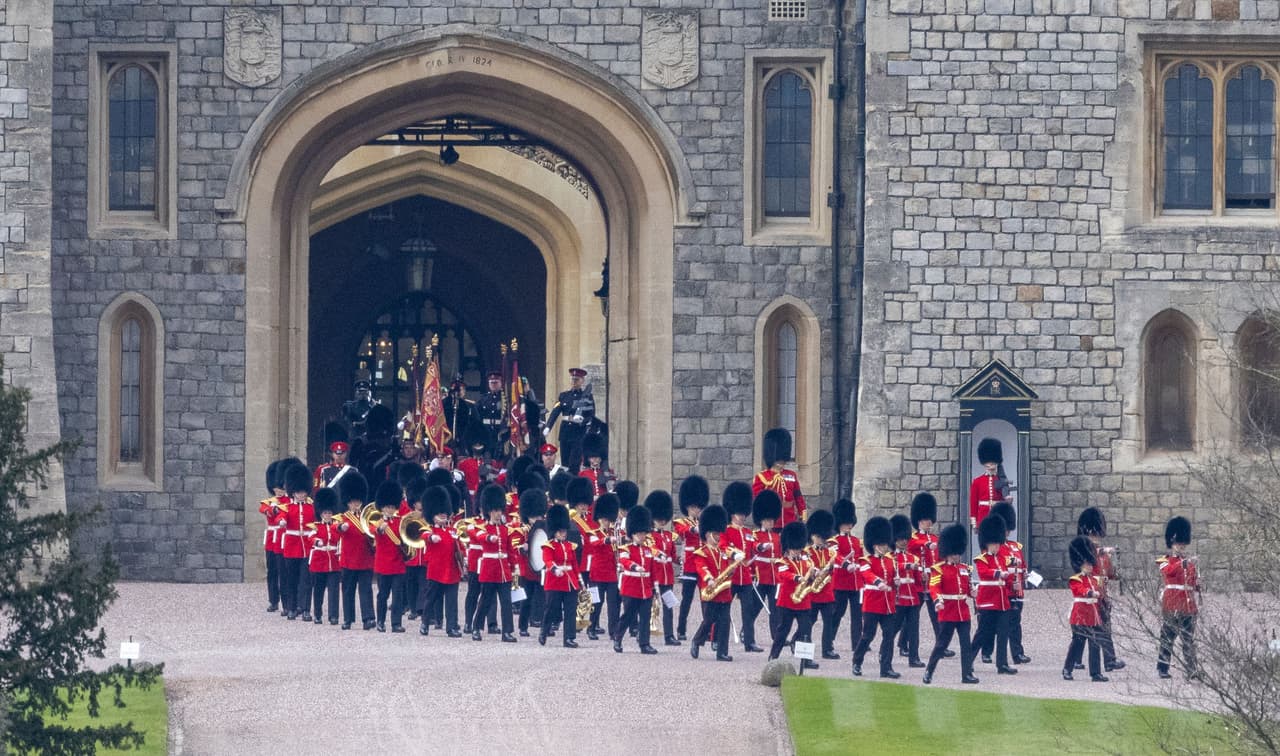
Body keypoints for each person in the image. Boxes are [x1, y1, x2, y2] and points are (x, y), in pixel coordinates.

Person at [923, 524, 979, 685]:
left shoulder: (964, 569)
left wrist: (972, 592)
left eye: (957, 553)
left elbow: (966, 588)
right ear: (947, 553)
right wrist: (938, 600)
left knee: (965, 645)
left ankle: (967, 674)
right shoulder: (938, 569)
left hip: (963, 611)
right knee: (941, 645)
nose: (956, 556)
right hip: (947, 611)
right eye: (954, 554)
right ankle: (929, 671)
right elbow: (934, 587)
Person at [689, 504, 739, 662]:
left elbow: (726, 568)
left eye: (719, 534)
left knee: (724, 623)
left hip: (724, 592)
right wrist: (709, 579)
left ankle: (722, 652)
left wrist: (732, 569)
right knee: (708, 620)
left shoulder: (723, 552)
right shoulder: (701, 552)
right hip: (709, 591)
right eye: (716, 534)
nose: (718, 537)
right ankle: (697, 641)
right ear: (708, 534)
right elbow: (701, 567)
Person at [851, 516, 899, 678]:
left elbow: (892, 579)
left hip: (888, 604)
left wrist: (896, 581)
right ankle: (857, 661)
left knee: (889, 635)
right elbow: (867, 574)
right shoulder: (866, 560)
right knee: (868, 635)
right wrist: (878, 582)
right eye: (882, 545)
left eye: (886, 544)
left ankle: (886, 667)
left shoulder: (890, 560)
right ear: (875, 545)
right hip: (872, 603)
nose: (885, 547)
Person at [1078, 506, 1124, 671]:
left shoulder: (1102, 553)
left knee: (1105, 627)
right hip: (1089, 595)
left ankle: (1110, 660)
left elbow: (1110, 574)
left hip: (1102, 595)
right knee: (1083, 631)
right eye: (1094, 534)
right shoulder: (1084, 550)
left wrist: (1115, 568)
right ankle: (1076, 660)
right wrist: (1103, 551)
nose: (1096, 538)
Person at [470, 484, 518, 642]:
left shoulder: (505, 530)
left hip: (504, 570)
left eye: (499, 510)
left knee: (506, 602)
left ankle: (507, 632)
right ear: (489, 511)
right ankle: (476, 628)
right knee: (485, 601)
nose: (498, 514)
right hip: (489, 570)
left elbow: (510, 550)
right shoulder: (483, 528)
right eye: (495, 511)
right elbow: (479, 536)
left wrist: (514, 566)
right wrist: (489, 538)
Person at [971, 513, 1016, 674]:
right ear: (987, 543)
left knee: (1003, 633)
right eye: (994, 544)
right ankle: (968, 660)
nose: (997, 546)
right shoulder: (981, 559)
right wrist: (999, 574)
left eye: (998, 543)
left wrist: (1013, 579)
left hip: (1002, 601)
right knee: (983, 632)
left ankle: (1002, 664)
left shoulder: (1002, 558)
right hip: (988, 601)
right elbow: (985, 573)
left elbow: (1006, 575)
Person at [768, 521, 818, 668]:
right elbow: (784, 574)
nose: (796, 551)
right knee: (783, 631)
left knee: (806, 631)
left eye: (798, 548)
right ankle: (774, 655)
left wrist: (814, 575)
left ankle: (806, 660)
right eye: (794, 549)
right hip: (787, 602)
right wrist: (798, 578)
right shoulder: (782, 561)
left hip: (803, 602)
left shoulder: (807, 560)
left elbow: (810, 573)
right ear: (788, 547)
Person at [721, 481, 763, 653]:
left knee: (748, 610)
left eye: (744, 513)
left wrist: (760, 548)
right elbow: (723, 546)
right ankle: (717, 640)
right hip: (731, 576)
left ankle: (750, 642)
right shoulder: (726, 530)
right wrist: (733, 553)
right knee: (722, 609)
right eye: (740, 513)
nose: (743, 516)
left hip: (745, 576)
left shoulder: (748, 532)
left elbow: (753, 548)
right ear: (732, 513)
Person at [1157, 515, 1200, 680]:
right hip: (1172, 603)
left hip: (1188, 606)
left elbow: (1190, 583)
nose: (1181, 546)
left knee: (1188, 639)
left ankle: (1192, 669)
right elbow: (1168, 572)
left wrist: (1197, 584)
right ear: (1172, 543)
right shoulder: (1163, 560)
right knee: (1167, 637)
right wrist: (1181, 564)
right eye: (1178, 543)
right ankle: (1162, 667)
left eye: (1183, 543)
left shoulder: (1189, 563)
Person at [988, 501, 1030, 665]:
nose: (1005, 532)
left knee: (1015, 623)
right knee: (998, 625)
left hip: (1018, 591)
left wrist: (1025, 576)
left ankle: (1017, 653)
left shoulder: (1015, 546)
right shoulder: (996, 549)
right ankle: (991, 652)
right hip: (1005, 591)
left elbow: (1022, 565)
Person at [418, 485, 464, 637]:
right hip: (436, 571)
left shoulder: (453, 531)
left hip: (452, 571)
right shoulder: (430, 530)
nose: (443, 515)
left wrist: (464, 557)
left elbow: (460, 548)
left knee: (452, 601)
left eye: (444, 513)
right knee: (431, 599)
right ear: (432, 514)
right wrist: (432, 538)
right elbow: (424, 536)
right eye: (439, 513)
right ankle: (425, 623)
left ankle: (451, 627)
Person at [614, 504, 659, 654]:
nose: (641, 536)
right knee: (628, 616)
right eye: (638, 534)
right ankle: (618, 637)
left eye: (643, 533)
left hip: (645, 589)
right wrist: (635, 567)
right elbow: (624, 561)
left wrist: (655, 588)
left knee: (645, 617)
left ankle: (644, 644)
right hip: (630, 588)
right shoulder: (625, 549)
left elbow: (652, 571)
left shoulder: (648, 550)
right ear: (632, 534)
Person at [1063, 536, 1108, 682]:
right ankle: (1067, 669)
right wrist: (1090, 593)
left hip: (1093, 616)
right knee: (1077, 643)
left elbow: (1100, 593)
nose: (1089, 567)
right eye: (1086, 564)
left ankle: (1095, 673)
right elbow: (1080, 590)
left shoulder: (1095, 579)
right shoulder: (1075, 579)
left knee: (1095, 644)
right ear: (1080, 564)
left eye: (1090, 564)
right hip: (1080, 615)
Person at [907, 493, 945, 658]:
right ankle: (903, 643)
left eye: (929, 519)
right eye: (924, 519)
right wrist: (926, 544)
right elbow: (913, 545)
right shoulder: (913, 538)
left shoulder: (935, 538)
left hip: (932, 580)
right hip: (918, 580)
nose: (928, 522)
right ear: (918, 521)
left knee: (936, 614)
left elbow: (939, 557)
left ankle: (941, 644)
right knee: (912, 615)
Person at [539, 504, 582, 648]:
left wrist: (579, 580)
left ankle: (569, 638)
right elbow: (547, 560)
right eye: (561, 531)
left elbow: (574, 564)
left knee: (570, 611)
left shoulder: (570, 545)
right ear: (554, 531)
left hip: (570, 582)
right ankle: (544, 632)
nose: (563, 533)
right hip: (554, 582)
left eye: (564, 531)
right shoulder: (548, 546)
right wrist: (554, 569)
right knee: (551, 609)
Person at [336, 471, 375, 630]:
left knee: (366, 590)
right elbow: (335, 529)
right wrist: (341, 527)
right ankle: (348, 619)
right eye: (352, 502)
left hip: (365, 559)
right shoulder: (342, 518)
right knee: (348, 591)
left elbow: (372, 529)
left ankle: (368, 618)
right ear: (347, 502)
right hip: (349, 559)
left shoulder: (367, 517)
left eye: (358, 501)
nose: (356, 504)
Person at [280, 461, 315, 621]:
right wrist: (282, 522)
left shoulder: (311, 507)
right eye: (298, 492)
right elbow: (282, 516)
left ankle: (306, 608)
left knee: (306, 581)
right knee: (291, 579)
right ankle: (292, 608)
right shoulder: (288, 507)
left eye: (303, 492)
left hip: (307, 547)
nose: (301, 495)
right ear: (293, 492)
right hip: (292, 546)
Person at [674, 475, 709, 640]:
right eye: (695, 507)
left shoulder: (704, 521)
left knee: (706, 598)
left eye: (699, 507)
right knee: (686, 600)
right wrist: (697, 529)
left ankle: (707, 629)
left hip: (702, 565)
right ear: (688, 507)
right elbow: (684, 532)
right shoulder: (681, 522)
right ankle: (681, 629)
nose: (697, 510)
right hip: (689, 564)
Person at [584, 492, 622, 641]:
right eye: (604, 519)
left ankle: (614, 631)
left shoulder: (615, 532)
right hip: (597, 574)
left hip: (611, 574)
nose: (606, 522)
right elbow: (595, 543)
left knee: (614, 605)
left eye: (608, 520)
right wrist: (608, 540)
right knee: (596, 603)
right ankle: (591, 628)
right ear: (599, 519)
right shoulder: (593, 533)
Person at [646, 490, 681, 646]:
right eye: (658, 519)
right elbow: (651, 550)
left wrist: (680, 560)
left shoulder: (668, 535)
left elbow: (673, 555)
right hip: (654, 575)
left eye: (663, 519)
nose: (661, 521)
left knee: (669, 605)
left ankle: (669, 635)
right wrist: (659, 555)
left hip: (667, 576)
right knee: (650, 605)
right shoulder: (649, 536)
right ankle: (645, 632)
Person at [371, 480, 408, 633]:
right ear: (382, 507)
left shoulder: (400, 522)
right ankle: (380, 621)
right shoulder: (377, 522)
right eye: (387, 507)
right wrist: (381, 528)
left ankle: (396, 623)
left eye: (392, 507)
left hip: (398, 564)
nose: (390, 510)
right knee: (383, 595)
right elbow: (374, 531)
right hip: (383, 565)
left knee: (398, 596)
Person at [752, 428, 807, 528]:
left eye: (783, 461)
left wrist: (802, 516)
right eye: (779, 461)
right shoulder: (762, 477)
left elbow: (798, 497)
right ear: (773, 459)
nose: (782, 464)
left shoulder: (791, 475)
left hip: (790, 520)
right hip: (772, 522)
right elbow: (757, 501)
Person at [543, 367, 595, 473]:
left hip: (578, 433)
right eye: (572, 379)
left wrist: (583, 421)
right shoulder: (564, 396)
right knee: (565, 462)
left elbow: (591, 416)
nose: (574, 382)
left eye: (577, 380)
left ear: (582, 381)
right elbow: (555, 412)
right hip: (565, 432)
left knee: (574, 463)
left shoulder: (587, 397)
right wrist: (548, 426)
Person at [890, 513, 925, 669]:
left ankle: (914, 657)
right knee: (893, 629)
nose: (904, 541)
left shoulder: (913, 557)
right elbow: (892, 570)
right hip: (898, 599)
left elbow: (917, 579)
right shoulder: (890, 557)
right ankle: (885, 653)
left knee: (913, 630)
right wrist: (907, 567)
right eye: (900, 539)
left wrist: (923, 577)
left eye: (905, 539)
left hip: (912, 598)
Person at [829, 499, 863, 657]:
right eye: (846, 523)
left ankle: (857, 643)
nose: (849, 525)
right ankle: (828, 640)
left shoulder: (856, 541)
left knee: (857, 615)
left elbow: (862, 559)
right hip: (841, 582)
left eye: (851, 522)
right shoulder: (834, 541)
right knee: (837, 613)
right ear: (840, 523)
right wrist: (846, 564)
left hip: (856, 583)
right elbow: (835, 556)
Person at [806, 509, 839, 660]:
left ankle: (827, 649)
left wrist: (829, 568)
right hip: (813, 592)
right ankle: (799, 642)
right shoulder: (807, 552)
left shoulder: (829, 553)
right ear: (812, 536)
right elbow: (805, 568)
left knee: (829, 622)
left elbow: (832, 569)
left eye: (822, 537)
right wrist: (813, 572)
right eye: (817, 536)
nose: (820, 539)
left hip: (826, 592)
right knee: (809, 621)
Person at [306, 487, 342, 626]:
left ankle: (334, 616)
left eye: (329, 512)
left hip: (333, 560)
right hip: (319, 561)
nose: (327, 515)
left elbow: (340, 538)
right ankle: (318, 614)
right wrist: (317, 541)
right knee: (319, 589)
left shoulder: (336, 526)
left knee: (334, 590)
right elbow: (310, 537)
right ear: (321, 513)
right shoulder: (315, 526)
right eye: (325, 512)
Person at [515, 487, 549, 637]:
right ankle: (523, 626)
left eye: (538, 516)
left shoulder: (544, 527)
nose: (536, 519)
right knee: (526, 599)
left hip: (541, 568)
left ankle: (542, 624)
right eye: (533, 517)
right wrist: (523, 547)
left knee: (542, 598)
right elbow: (515, 544)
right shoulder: (522, 529)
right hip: (527, 568)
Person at [751, 490, 783, 644]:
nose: (770, 523)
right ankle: (746, 631)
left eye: (772, 520)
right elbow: (754, 547)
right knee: (756, 606)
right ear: (761, 520)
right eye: (767, 520)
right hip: (761, 574)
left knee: (775, 608)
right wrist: (762, 546)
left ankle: (775, 636)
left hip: (774, 576)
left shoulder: (777, 536)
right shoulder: (756, 534)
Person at [258, 460, 286, 613]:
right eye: (277, 487)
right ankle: (274, 600)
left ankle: (288, 601)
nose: (279, 490)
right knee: (272, 570)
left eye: (282, 487)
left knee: (285, 571)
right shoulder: (269, 502)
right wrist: (273, 511)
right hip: (272, 539)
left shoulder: (289, 502)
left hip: (285, 539)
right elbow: (264, 509)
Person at [969, 437, 1010, 529]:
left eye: (992, 461)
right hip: (983, 517)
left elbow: (1005, 497)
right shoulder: (977, 481)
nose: (990, 463)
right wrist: (974, 523)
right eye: (988, 461)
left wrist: (1008, 501)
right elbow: (973, 503)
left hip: (999, 516)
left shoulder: (1002, 479)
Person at [476, 371, 507, 457]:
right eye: (491, 382)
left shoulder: (505, 399)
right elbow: (477, 416)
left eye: (496, 382)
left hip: (500, 431)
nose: (493, 384)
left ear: (501, 383)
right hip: (486, 432)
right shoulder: (484, 399)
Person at [578, 434, 616, 501]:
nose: (595, 459)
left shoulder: (608, 472)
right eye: (592, 457)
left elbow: (612, 491)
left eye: (597, 457)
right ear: (588, 458)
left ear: (601, 458)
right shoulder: (583, 474)